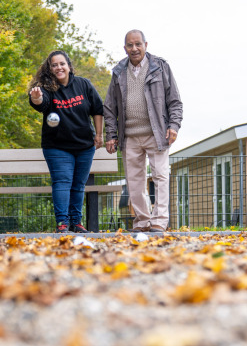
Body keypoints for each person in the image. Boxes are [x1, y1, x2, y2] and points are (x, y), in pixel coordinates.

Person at [103, 30, 183, 233]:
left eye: (138, 44)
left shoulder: (160, 67)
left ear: (146, 44)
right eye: (130, 45)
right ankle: (142, 221)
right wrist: (111, 135)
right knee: (134, 182)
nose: (134, 48)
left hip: (157, 133)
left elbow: (174, 101)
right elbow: (110, 107)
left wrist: (173, 125)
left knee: (161, 176)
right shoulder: (118, 71)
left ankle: (159, 221)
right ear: (125, 48)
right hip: (129, 135)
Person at [29, 50, 104, 233]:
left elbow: (98, 109)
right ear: (50, 69)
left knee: (78, 185)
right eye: (54, 65)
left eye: (62, 64)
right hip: (57, 147)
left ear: (69, 66)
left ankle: (76, 222)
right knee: (62, 182)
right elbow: (41, 103)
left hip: (85, 146)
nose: (58, 67)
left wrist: (99, 135)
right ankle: (62, 223)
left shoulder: (83, 84)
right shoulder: (46, 88)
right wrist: (36, 98)